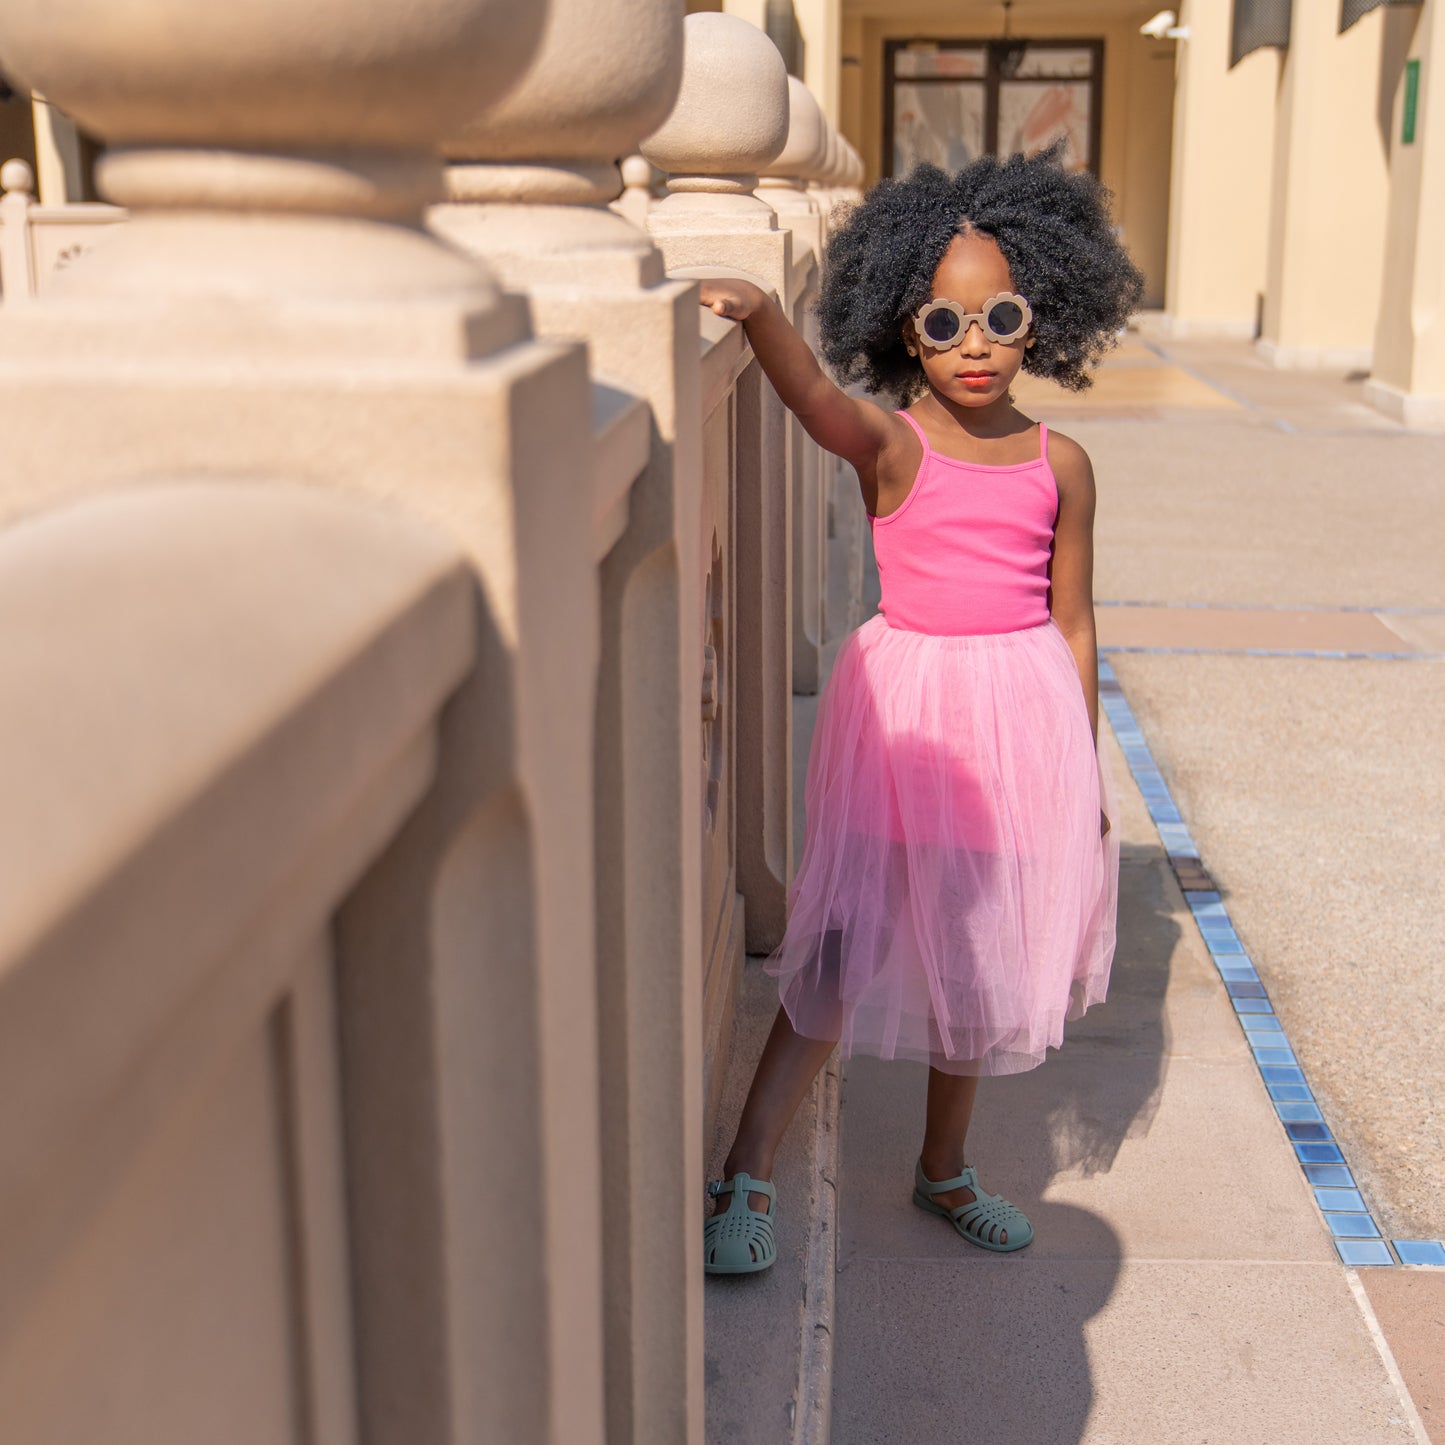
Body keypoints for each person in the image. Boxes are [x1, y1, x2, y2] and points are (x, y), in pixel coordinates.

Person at [700, 150, 1141, 1274]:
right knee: (842, 942)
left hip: (1018, 720)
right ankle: (746, 1166)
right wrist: (755, 314)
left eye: (998, 313)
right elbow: (808, 399)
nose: (975, 342)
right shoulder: (893, 445)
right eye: (942, 323)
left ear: (1042, 313)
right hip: (908, 717)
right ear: (904, 330)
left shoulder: (1062, 463)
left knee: (975, 947)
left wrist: (1081, 775)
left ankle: (943, 1166)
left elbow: (1074, 621)